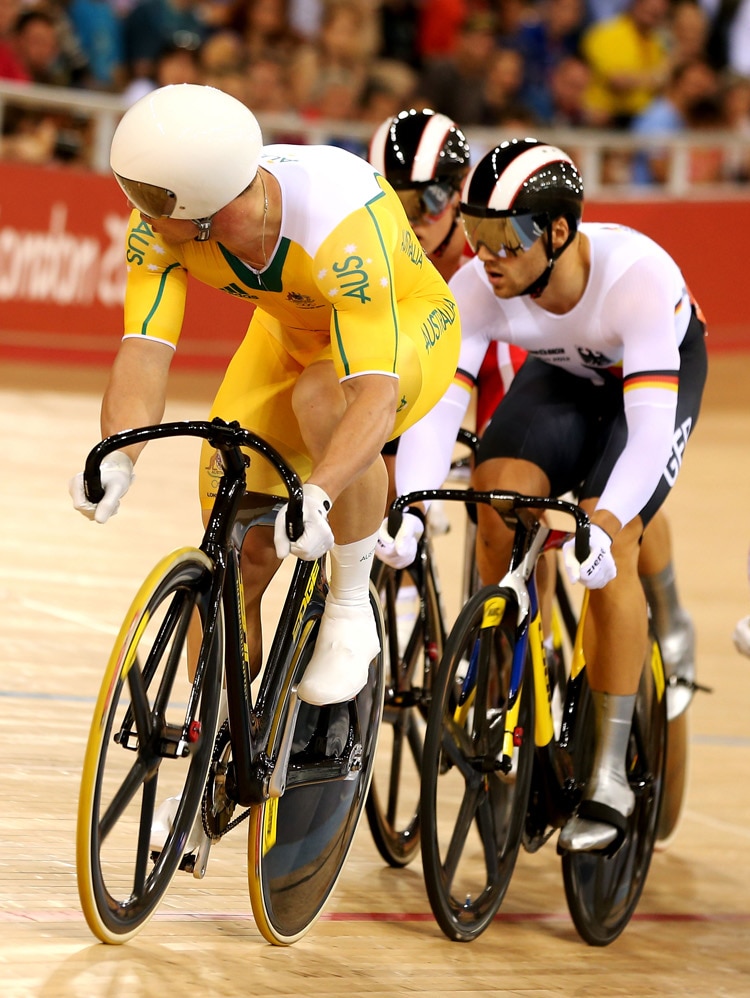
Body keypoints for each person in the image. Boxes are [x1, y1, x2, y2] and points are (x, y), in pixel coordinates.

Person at [69, 83, 461, 714]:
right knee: (231, 554)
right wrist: (118, 453)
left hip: (406, 328)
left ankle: (350, 603)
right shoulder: (166, 231)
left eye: (149, 199)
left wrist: (322, 490)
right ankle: (216, 763)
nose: (138, 211)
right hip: (287, 335)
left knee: (322, 399)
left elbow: (373, 399)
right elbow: (144, 349)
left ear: (204, 205)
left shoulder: (341, 223)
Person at [379, 137, 707, 853]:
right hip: (562, 377)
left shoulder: (637, 281)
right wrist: (413, 507)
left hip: (649, 383)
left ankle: (612, 770)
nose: (487, 254)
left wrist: (611, 519)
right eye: (476, 235)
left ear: (558, 232)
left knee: (609, 534)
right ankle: (506, 667)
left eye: (505, 237)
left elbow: (648, 434)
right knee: (497, 494)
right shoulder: (478, 289)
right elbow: (436, 413)